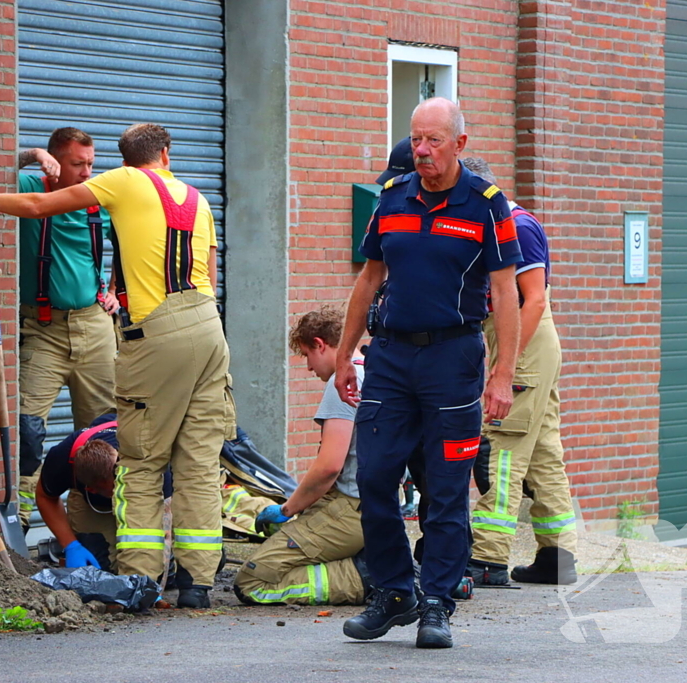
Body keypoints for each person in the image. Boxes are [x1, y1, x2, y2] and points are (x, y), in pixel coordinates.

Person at [0, 122, 235, 610]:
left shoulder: (124, 181)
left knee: (142, 460)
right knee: (196, 461)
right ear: (167, 154)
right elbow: (210, 276)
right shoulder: (197, 198)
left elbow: (36, 206)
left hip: (158, 335)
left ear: (125, 159)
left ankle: (140, 580)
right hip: (209, 330)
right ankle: (197, 585)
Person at [335, 98, 522, 649]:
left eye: (433, 140)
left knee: (444, 490)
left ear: (459, 144)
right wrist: (345, 357)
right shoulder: (391, 198)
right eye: (415, 138)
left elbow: (508, 292)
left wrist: (503, 373)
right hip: (390, 358)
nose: (421, 150)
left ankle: (437, 601)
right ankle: (395, 593)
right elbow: (368, 281)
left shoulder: (487, 205)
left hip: (452, 360)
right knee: (372, 479)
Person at [461, 157, 578, 586]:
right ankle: (558, 556)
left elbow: (535, 301)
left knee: (503, 448)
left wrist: (504, 369)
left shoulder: (515, 227)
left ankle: (487, 557)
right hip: (527, 344)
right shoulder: (505, 223)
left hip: (524, 343)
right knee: (544, 450)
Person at [12, 128, 118, 530]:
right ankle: (20, 521)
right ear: (55, 163)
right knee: (27, 430)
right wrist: (33, 153)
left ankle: (87, 531)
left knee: (101, 438)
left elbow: (132, 243)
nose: (87, 173)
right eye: (78, 164)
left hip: (95, 328)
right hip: (43, 329)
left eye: (91, 163)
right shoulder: (29, 184)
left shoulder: (98, 199)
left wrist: (115, 291)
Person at [234, 306, 369, 606]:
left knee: (252, 581)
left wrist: (286, 510)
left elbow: (329, 468)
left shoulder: (343, 385)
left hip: (353, 510)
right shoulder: (373, 371)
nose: (309, 367)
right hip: (371, 507)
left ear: (321, 344)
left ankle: (366, 577)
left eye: (308, 355)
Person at [36, 414, 121, 571]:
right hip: (93, 504)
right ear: (91, 488)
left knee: (153, 562)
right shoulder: (60, 460)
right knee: (97, 569)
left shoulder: (141, 454)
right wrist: (71, 545)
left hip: (147, 498)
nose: (117, 493)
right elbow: (45, 497)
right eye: (112, 489)